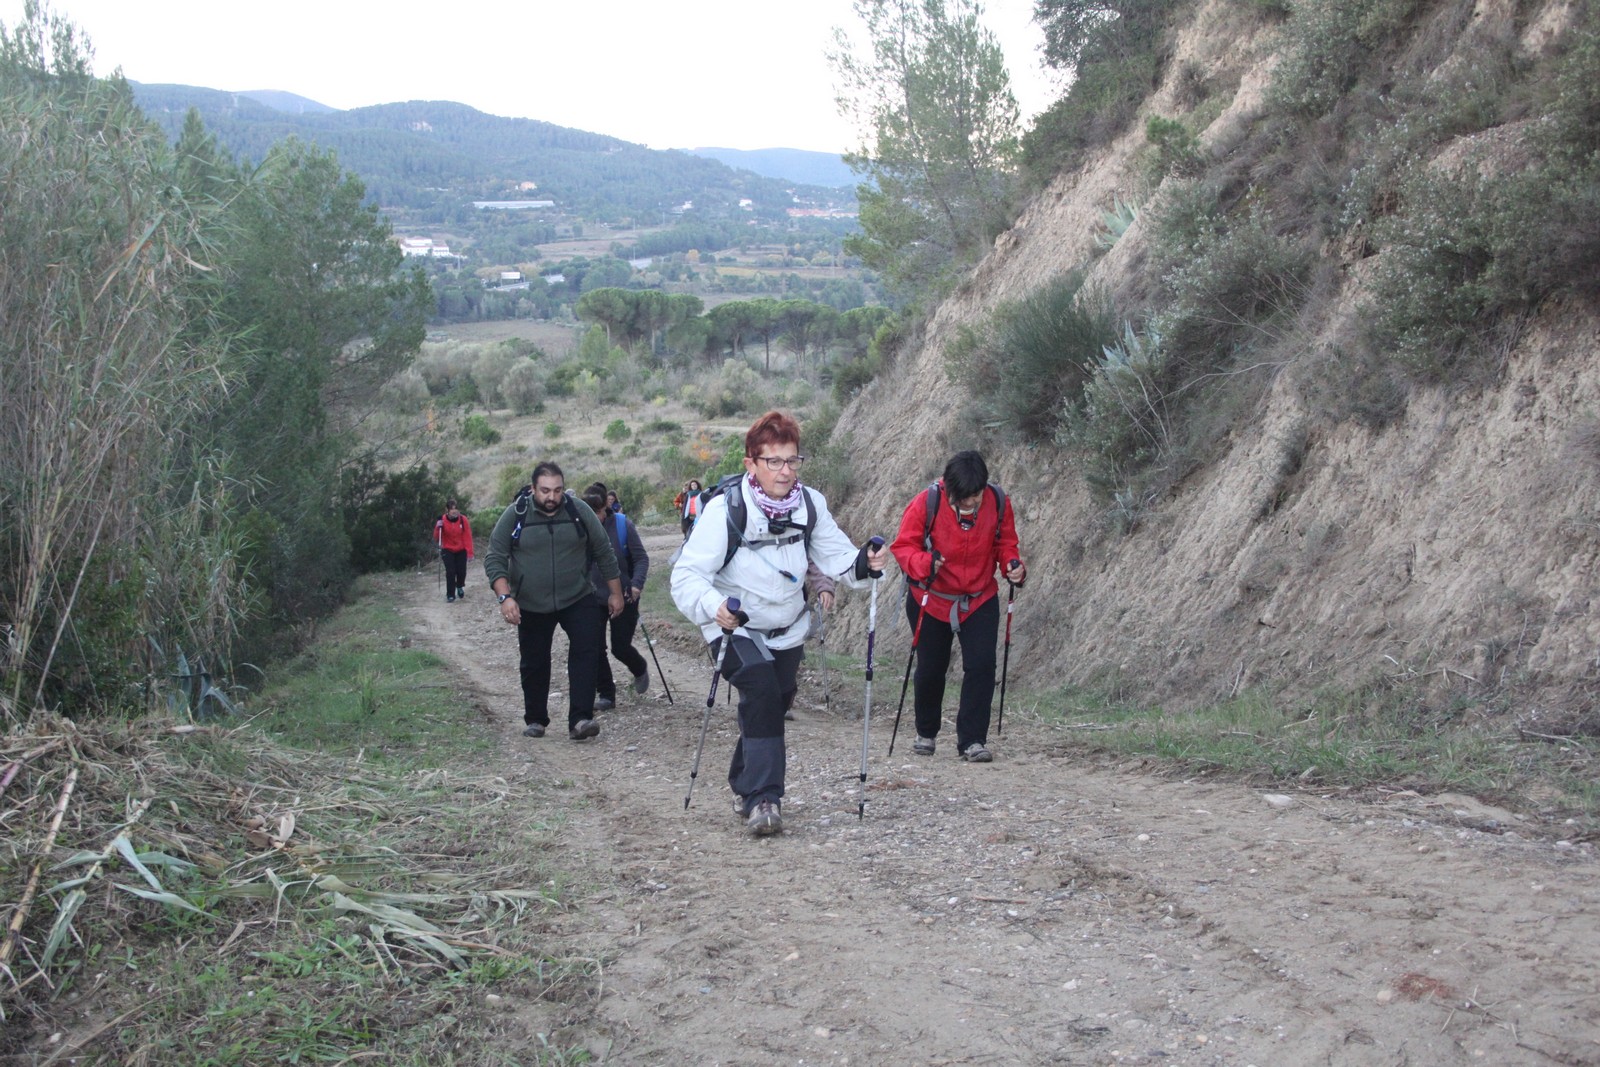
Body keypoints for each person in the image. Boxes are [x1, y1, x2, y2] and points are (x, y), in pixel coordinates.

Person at [672, 411, 889, 837]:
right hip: (733, 626)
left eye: (792, 460)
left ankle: (744, 780)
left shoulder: (810, 505)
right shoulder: (725, 510)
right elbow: (686, 576)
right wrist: (715, 606)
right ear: (751, 463)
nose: (785, 471)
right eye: (774, 461)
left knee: (775, 700)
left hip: (788, 628)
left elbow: (839, 557)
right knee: (761, 688)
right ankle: (764, 798)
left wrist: (866, 562)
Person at [889, 450, 1025, 764]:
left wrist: (1012, 565)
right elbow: (903, 547)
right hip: (930, 598)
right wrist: (925, 563)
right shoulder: (926, 502)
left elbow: (1005, 543)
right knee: (931, 668)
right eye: (963, 498)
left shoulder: (998, 502)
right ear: (949, 488)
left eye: (976, 496)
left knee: (982, 666)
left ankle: (972, 741)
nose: (970, 503)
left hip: (979, 597)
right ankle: (926, 732)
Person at [485, 462, 624, 742]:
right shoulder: (516, 514)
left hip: (577, 596)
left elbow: (603, 551)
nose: (552, 497)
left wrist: (616, 592)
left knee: (587, 652)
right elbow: (495, 557)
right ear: (533, 488)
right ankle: (536, 719)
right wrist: (505, 597)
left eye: (558, 490)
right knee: (534, 661)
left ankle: (581, 719)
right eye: (545, 491)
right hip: (532, 602)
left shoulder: (578, 511)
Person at [582, 482, 651, 711]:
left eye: (598, 511)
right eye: (590, 511)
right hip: (592, 597)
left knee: (620, 647)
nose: (595, 516)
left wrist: (636, 585)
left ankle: (639, 668)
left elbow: (641, 558)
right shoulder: (579, 528)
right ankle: (606, 694)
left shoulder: (623, 525)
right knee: (595, 647)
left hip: (625, 595)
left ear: (606, 507)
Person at [433, 499, 473, 603]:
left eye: (456, 508)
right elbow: (437, 537)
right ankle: (450, 594)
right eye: (452, 509)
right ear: (447, 510)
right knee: (450, 571)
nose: (454, 511)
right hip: (447, 549)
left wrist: (469, 552)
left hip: (461, 549)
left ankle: (459, 586)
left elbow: (467, 536)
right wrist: (438, 527)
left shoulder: (463, 520)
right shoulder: (442, 520)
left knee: (461, 572)